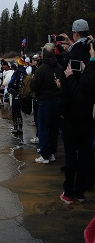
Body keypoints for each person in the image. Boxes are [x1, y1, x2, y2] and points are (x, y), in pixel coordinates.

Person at [59, 18, 94, 204]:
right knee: (86, 151)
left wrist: (66, 79)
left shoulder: (73, 56)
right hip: (88, 113)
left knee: (72, 153)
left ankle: (68, 193)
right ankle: (80, 191)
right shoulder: (90, 52)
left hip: (73, 111)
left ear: (75, 33)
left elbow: (76, 89)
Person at [30, 43, 63, 164]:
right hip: (57, 101)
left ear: (44, 55)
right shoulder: (59, 66)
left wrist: (33, 79)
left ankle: (44, 155)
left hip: (45, 102)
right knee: (54, 129)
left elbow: (33, 86)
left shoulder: (42, 69)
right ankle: (51, 153)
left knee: (43, 128)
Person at [8, 57, 27, 134]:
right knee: (19, 111)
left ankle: (16, 128)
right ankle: (21, 127)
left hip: (15, 93)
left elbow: (12, 82)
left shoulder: (17, 72)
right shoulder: (25, 72)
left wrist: (9, 88)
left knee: (14, 111)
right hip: (22, 94)